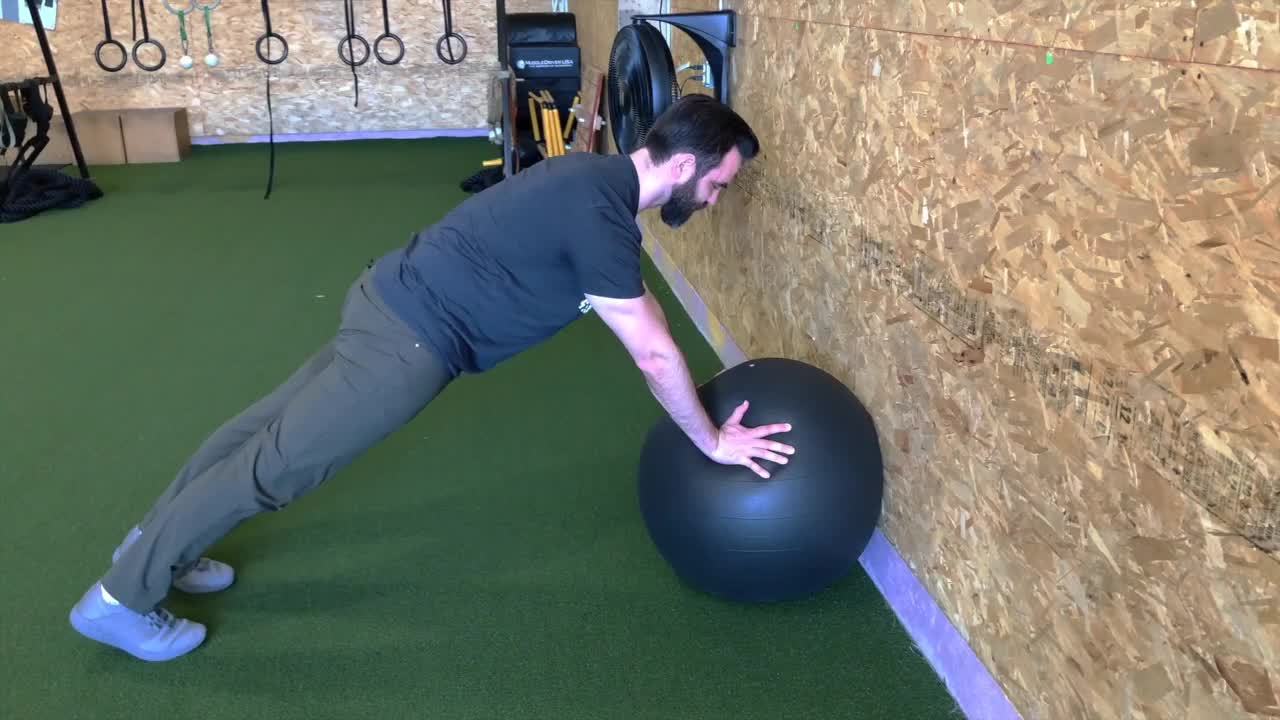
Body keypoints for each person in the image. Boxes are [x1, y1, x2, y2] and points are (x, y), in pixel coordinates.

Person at [68, 94, 796, 662]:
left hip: (387, 298)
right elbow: (656, 355)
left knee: (253, 435)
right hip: (408, 344)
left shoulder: (591, 175)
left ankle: (156, 548)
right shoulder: (601, 215)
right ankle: (119, 599)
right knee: (271, 468)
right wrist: (710, 442)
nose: (714, 200)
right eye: (719, 184)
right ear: (682, 166)